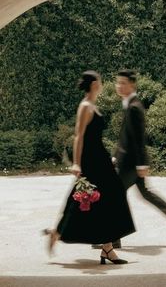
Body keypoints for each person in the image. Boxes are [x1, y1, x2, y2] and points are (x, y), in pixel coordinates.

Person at [44, 70, 135, 264]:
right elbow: (79, 136)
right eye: (100, 81)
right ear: (94, 84)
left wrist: (107, 158)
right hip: (90, 161)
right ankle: (57, 232)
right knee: (84, 200)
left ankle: (107, 248)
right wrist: (76, 163)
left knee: (105, 200)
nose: (102, 84)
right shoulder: (85, 106)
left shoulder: (93, 105)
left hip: (100, 160)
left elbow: (94, 138)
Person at [112, 69, 166, 248]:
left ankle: (112, 239)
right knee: (146, 194)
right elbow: (126, 137)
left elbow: (139, 139)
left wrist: (141, 164)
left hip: (131, 164)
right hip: (128, 161)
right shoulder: (129, 104)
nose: (119, 86)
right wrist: (115, 157)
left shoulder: (134, 107)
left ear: (132, 85)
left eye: (123, 83)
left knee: (115, 195)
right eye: (118, 82)